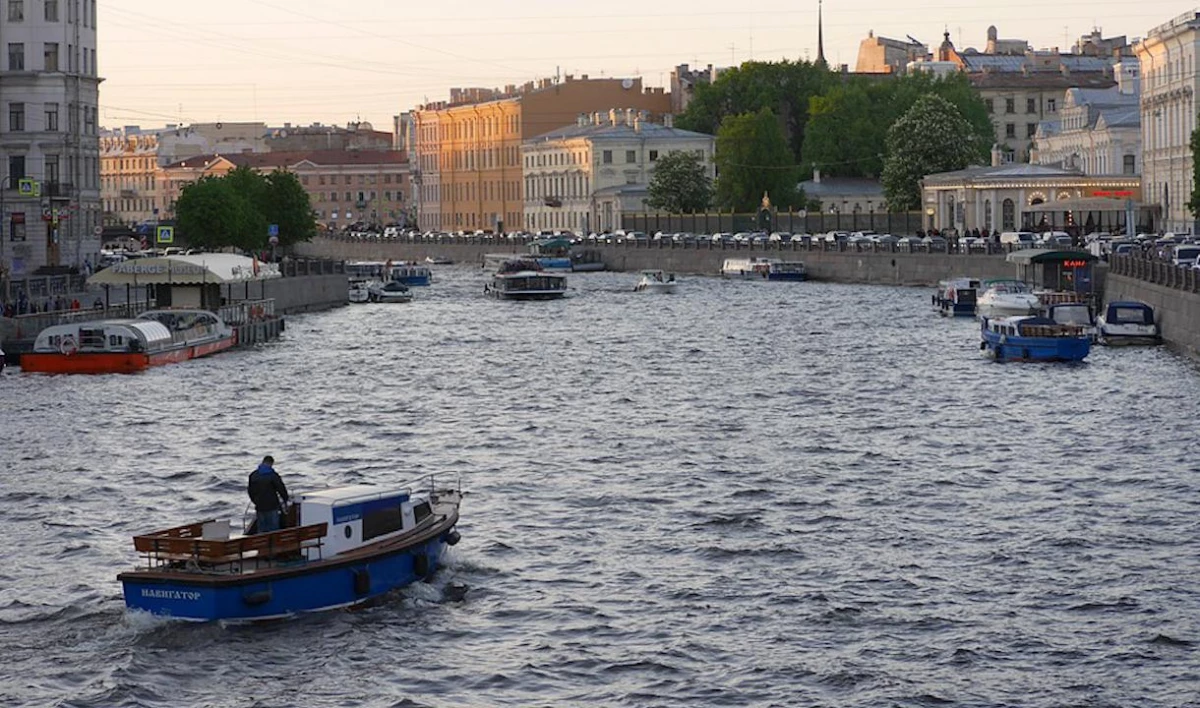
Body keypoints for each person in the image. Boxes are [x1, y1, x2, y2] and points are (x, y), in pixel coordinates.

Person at [247, 455, 289, 533]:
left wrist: (255, 501)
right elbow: (281, 489)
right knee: (273, 528)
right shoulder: (273, 475)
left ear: (263, 462)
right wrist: (285, 499)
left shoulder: (253, 475)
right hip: (272, 505)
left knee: (261, 528)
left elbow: (250, 491)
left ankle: (261, 540)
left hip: (260, 506)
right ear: (271, 463)